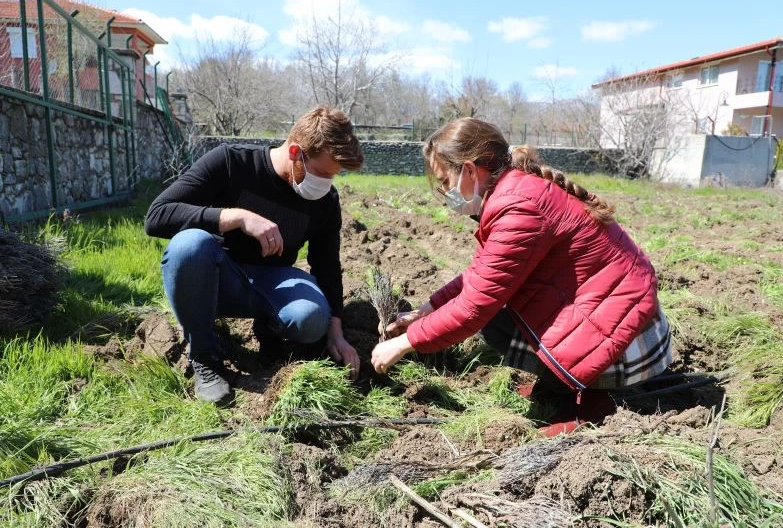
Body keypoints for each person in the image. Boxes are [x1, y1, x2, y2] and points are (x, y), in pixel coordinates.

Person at [370, 117, 672, 435]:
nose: (446, 193)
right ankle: (561, 385)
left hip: (626, 337)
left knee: (494, 320)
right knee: (501, 319)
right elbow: (482, 272)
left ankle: (594, 404)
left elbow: (474, 308)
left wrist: (404, 344)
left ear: (471, 171)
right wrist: (425, 310)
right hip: (613, 313)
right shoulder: (513, 192)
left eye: (446, 181)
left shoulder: (518, 208)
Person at [145, 105, 363, 404]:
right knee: (189, 246)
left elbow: (326, 265)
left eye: (333, 177)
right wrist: (235, 217)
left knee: (312, 318)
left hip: (271, 280)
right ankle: (205, 358)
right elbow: (157, 215)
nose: (325, 184)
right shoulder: (231, 163)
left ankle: (270, 328)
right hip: (216, 278)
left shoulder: (325, 200)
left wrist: (336, 333)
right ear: (296, 152)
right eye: (322, 173)